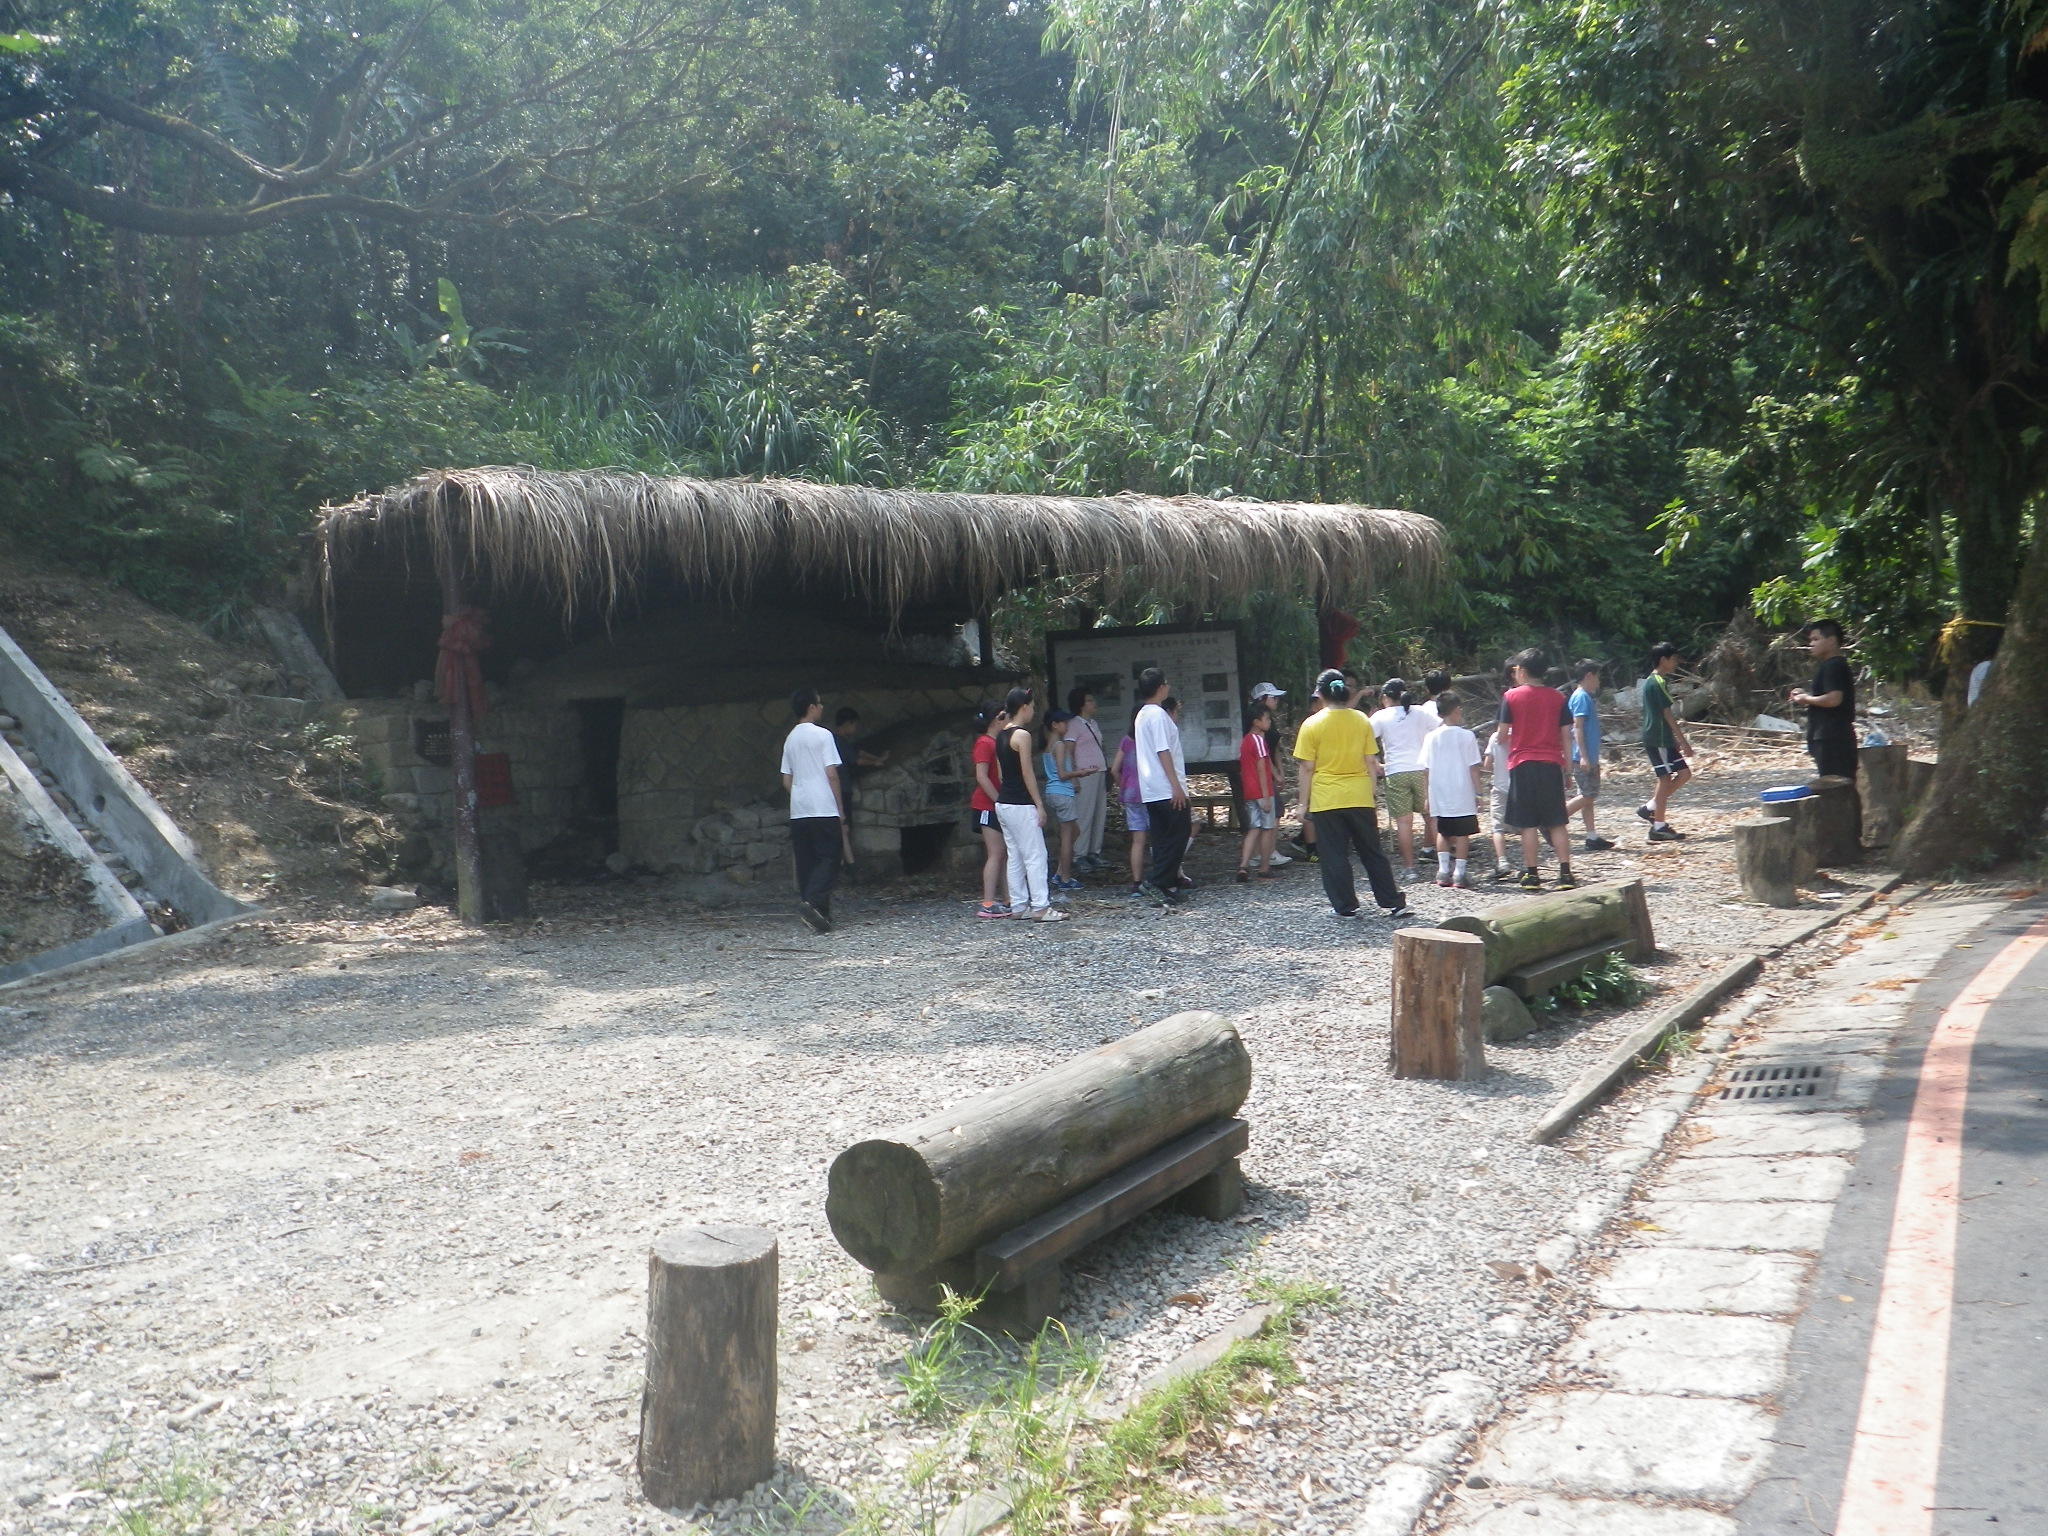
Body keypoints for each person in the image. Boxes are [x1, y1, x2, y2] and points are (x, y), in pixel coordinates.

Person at [1292, 669, 1410, 919]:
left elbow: (1307, 767)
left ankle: (1345, 906)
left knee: (1334, 854)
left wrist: (1302, 804)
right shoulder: (1361, 720)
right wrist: (1372, 793)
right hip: (1359, 795)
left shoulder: (1311, 724)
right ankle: (1393, 901)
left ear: (1320, 694)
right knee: (1372, 851)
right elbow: (1370, 761)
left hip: (1327, 798)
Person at [1497, 647, 1576, 891]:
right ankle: (1565, 874)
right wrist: (1568, 770)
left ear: (1521, 670)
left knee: (1528, 823)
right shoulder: (1558, 698)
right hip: (1551, 763)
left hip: (1522, 764)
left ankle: (1532, 875)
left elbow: (1501, 734)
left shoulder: (1511, 697)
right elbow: (1566, 736)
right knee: (1556, 822)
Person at [780, 686, 849, 934]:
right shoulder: (823, 735)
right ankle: (812, 902)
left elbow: (786, 779)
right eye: (819, 703)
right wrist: (839, 806)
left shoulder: (790, 739)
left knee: (807, 861)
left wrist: (800, 794)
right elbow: (832, 773)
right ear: (811, 707)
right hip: (823, 806)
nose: (821, 707)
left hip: (799, 810)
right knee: (829, 857)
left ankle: (820, 913)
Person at [995, 686, 1067, 922]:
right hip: (1021, 804)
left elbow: (1001, 773)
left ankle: (1018, 905)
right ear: (1023, 707)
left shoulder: (1001, 735)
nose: (1034, 711)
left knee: (1015, 855)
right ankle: (1041, 907)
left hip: (1004, 802)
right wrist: (1039, 804)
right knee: (1036, 854)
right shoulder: (1022, 736)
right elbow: (1027, 773)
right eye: (1032, 707)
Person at [1132, 667, 1191, 907]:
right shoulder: (1156, 714)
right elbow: (1162, 750)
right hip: (1165, 787)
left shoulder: (1141, 714)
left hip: (1151, 788)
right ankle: (1156, 882)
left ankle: (1167, 884)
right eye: (1166, 683)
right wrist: (1176, 786)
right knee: (1179, 833)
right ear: (1160, 688)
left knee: (1162, 838)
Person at [1369, 678, 1433, 881]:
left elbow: (1363, 740)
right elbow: (1441, 728)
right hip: (1422, 769)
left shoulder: (1381, 716)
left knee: (1404, 823)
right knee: (1431, 817)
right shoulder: (1421, 712)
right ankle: (1443, 862)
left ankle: (1410, 868)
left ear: (1386, 697)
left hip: (1396, 772)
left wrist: (1375, 763)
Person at [1422, 690, 1483, 888]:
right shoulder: (1467, 736)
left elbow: (1426, 769)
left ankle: (1442, 870)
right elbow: (1473, 767)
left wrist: (1427, 795)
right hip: (1462, 790)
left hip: (1439, 791)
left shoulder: (1431, 737)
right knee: (1462, 833)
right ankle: (1459, 873)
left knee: (1443, 831)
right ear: (1456, 711)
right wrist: (1479, 792)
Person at [1638, 641, 1694, 841]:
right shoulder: (1657, 682)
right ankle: (1659, 826)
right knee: (1665, 779)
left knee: (1684, 773)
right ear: (1663, 660)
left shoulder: (1653, 681)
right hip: (1658, 737)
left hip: (1663, 737)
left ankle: (1650, 807)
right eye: (1673, 659)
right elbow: (1667, 714)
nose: (1675, 663)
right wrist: (1683, 741)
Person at [1790, 620, 1858, 781]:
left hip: (1833, 739)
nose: (1811, 644)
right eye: (1810, 640)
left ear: (1832, 640)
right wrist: (1806, 696)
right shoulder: (1832, 665)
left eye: (1816, 639)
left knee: (1836, 787)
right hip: (1831, 738)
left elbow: (1834, 700)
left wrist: (1806, 699)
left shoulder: (1833, 666)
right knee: (1836, 785)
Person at [1564, 659, 1615, 852]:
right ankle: (1554, 821)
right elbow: (1577, 727)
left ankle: (1591, 836)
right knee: (1588, 794)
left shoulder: (1583, 696)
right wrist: (1584, 756)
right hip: (1582, 756)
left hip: (1587, 755)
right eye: (1597, 677)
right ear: (1589, 676)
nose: (1599, 681)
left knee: (1588, 797)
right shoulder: (1581, 697)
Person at [969, 700, 1009, 920]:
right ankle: (988, 902)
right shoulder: (985, 743)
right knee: (996, 853)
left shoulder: (996, 742)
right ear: (996, 719)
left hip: (996, 804)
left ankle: (1008, 899)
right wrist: (998, 801)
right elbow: (981, 776)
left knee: (1003, 853)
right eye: (1004, 716)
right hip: (987, 805)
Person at [1065, 686, 1109, 872]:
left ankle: (1094, 852)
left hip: (1099, 772)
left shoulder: (1094, 723)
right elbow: (1069, 751)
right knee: (1084, 813)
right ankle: (1079, 854)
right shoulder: (1074, 724)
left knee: (1099, 813)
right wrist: (1074, 775)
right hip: (1084, 774)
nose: (1094, 703)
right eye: (1089, 700)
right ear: (1081, 704)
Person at [1238, 699, 1281, 881]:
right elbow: (1262, 769)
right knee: (1267, 829)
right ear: (1256, 721)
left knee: (1253, 829)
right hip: (1262, 791)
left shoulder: (1245, 740)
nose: (1269, 722)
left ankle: (1243, 865)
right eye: (1267, 719)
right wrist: (1266, 796)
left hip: (1249, 791)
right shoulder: (1259, 741)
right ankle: (1264, 867)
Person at [1042, 709, 1083, 892]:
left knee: (1074, 832)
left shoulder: (1048, 745)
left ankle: (1060, 872)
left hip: (1054, 792)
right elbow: (1062, 774)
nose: (1067, 726)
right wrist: (1081, 773)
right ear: (1055, 725)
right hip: (1062, 793)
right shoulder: (1058, 745)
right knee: (1067, 836)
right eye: (1064, 722)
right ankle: (1065, 878)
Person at [1110, 726, 1149, 892]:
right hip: (1150, 793)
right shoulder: (1149, 739)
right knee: (1159, 838)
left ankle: (1137, 881)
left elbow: (1114, 769)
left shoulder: (1126, 740)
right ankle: (1164, 878)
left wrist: (1124, 786)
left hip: (1131, 794)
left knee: (1138, 841)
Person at [1485, 727, 1513, 880]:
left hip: (1500, 786)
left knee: (1497, 827)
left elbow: (1487, 765)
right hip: (1520, 786)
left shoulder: (1495, 737)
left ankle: (1502, 861)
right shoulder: (1521, 735)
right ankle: (1529, 863)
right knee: (1527, 826)